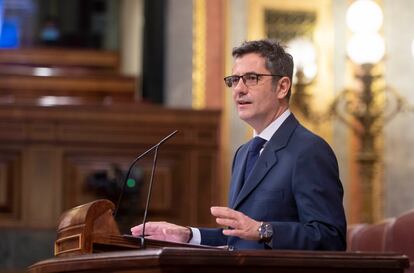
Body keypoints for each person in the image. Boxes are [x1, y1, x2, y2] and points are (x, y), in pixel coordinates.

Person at [131, 39, 347, 250]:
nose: (238, 89)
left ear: (282, 87)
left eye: (251, 78)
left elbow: (330, 238)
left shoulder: (309, 150)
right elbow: (239, 239)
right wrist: (189, 235)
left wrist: (264, 230)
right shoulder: (244, 153)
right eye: (234, 80)